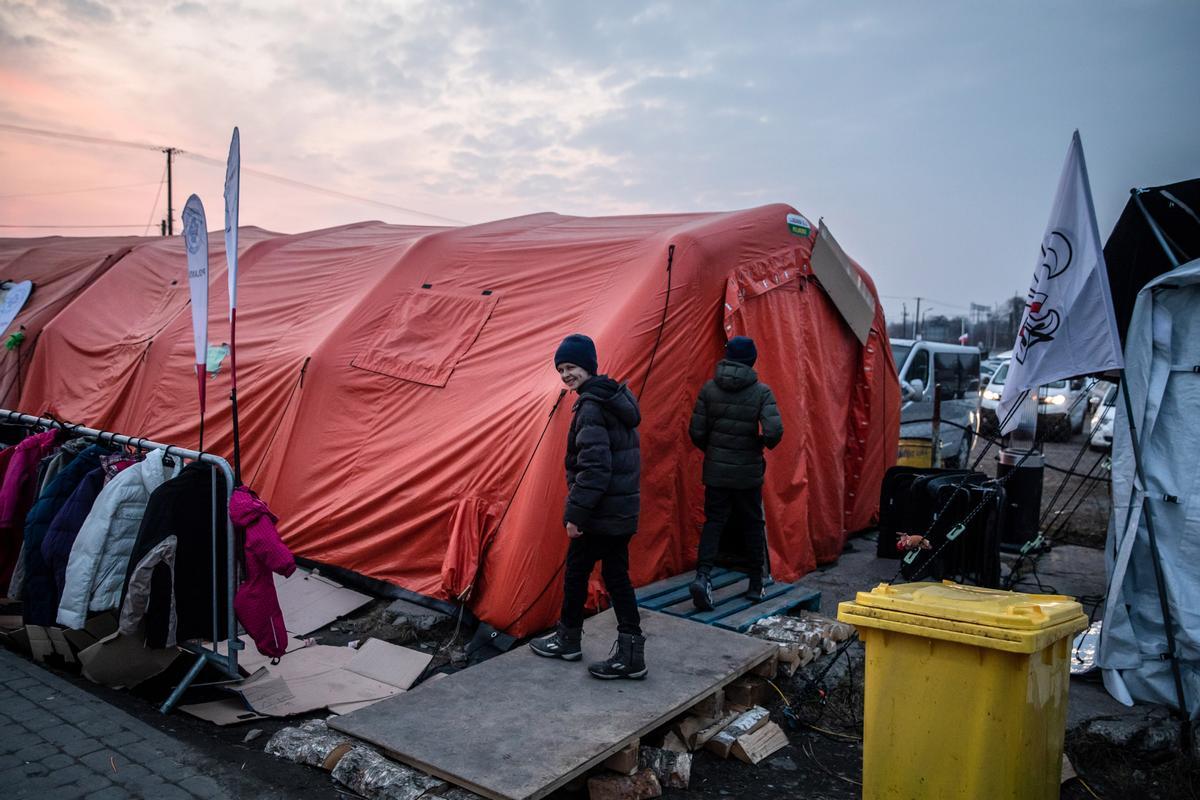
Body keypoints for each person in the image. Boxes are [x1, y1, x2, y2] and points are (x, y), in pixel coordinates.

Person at [529, 334, 646, 680]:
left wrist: (575, 515)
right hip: (619, 510)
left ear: (589, 367)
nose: (566, 375)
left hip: (601, 513)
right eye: (561, 369)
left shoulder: (592, 406)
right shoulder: (612, 398)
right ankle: (628, 651)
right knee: (614, 575)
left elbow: (595, 468)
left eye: (572, 367)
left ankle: (570, 640)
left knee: (580, 572)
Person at [687, 335, 783, 610]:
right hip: (748, 472)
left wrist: (714, 450)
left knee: (714, 522)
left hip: (716, 470)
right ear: (751, 361)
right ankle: (755, 582)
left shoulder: (709, 389)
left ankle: (702, 576)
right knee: (752, 524)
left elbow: (696, 432)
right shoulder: (761, 392)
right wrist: (761, 444)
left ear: (728, 358)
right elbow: (774, 431)